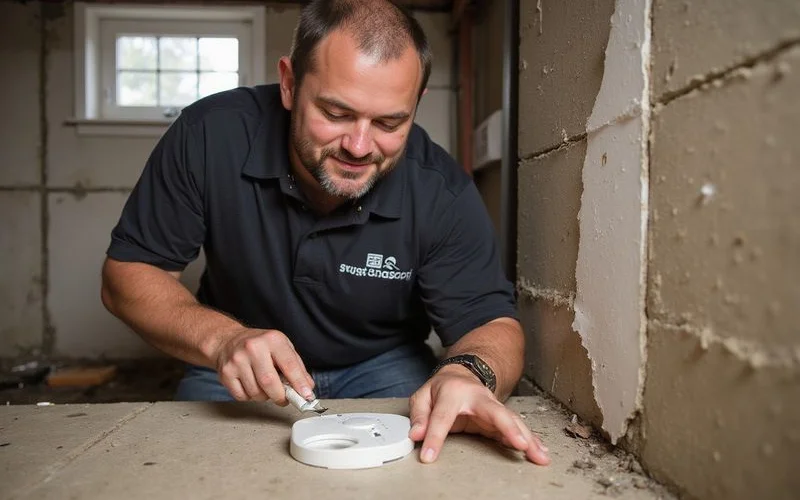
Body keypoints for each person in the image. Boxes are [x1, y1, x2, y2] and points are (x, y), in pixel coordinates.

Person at [100, 0, 549, 466]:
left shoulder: (442, 190)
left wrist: (469, 373)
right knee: (184, 469)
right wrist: (221, 340)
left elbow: (492, 324)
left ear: (416, 106)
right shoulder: (209, 134)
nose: (358, 146)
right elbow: (128, 274)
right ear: (290, 84)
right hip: (239, 361)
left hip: (381, 365)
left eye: (389, 123)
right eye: (336, 113)